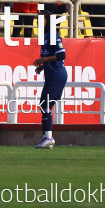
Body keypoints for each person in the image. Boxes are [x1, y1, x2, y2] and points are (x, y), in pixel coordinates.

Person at [32, 10, 68, 149]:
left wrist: (44, 60)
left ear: (47, 21)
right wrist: (43, 66)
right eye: (37, 20)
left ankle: (48, 138)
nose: (37, 22)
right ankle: (47, 138)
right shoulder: (47, 36)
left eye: (40, 19)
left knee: (45, 104)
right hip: (52, 75)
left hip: (57, 76)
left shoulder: (53, 34)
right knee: (45, 105)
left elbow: (62, 55)